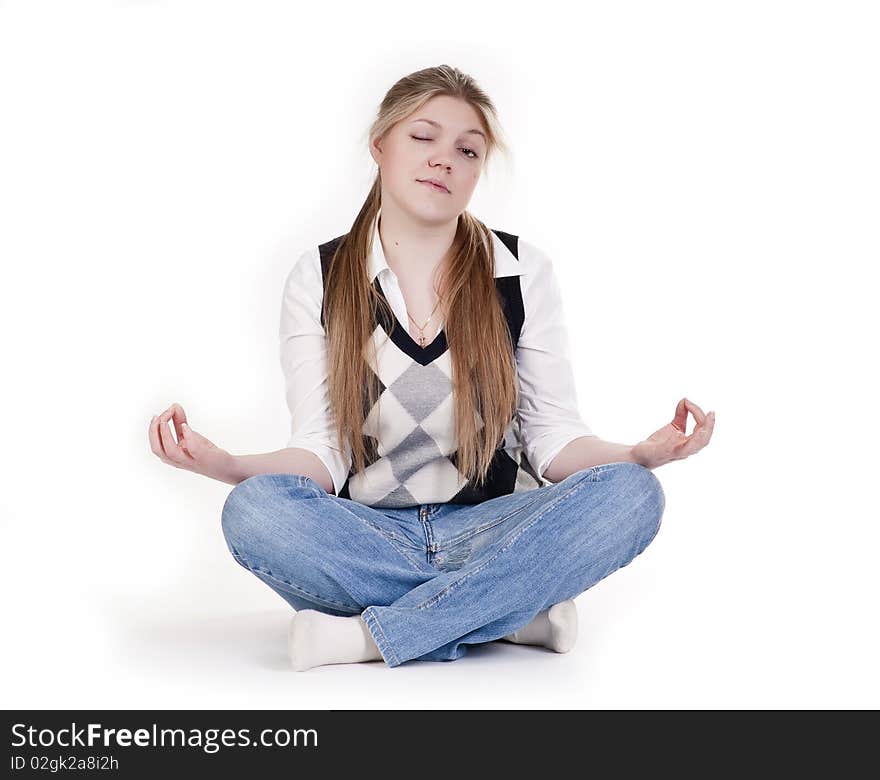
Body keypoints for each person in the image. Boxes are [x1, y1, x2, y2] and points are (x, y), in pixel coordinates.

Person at [148, 64, 715, 671]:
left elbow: (553, 440)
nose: (443, 159)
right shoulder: (318, 276)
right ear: (380, 144)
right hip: (369, 536)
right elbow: (321, 451)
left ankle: (370, 637)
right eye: (423, 137)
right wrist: (227, 466)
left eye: (466, 150)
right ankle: (511, 611)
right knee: (256, 510)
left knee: (632, 495)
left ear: (477, 172)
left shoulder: (519, 272)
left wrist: (639, 456)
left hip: (494, 530)